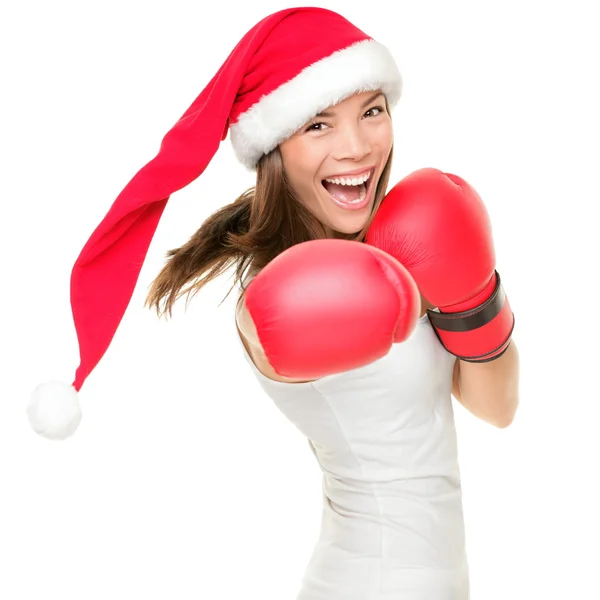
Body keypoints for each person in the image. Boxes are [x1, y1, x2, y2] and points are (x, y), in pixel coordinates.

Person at [27, 6, 520, 598]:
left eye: (372, 111)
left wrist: (474, 295)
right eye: (318, 125)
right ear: (275, 146)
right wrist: (418, 294)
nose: (357, 147)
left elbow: (496, 408)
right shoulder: (274, 296)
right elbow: (276, 336)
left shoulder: (404, 239)